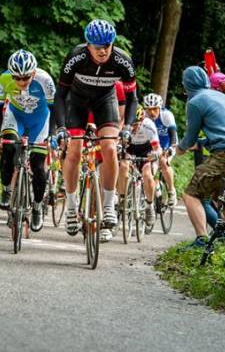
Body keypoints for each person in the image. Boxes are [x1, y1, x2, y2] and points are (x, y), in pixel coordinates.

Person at [53, 19, 138, 237]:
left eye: (107, 46)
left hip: (105, 101)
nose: (102, 51)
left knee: (110, 148)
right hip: (77, 102)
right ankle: (71, 208)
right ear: (88, 44)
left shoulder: (122, 61)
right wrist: (61, 127)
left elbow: (132, 98)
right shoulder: (76, 57)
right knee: (74, 150)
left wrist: (127, 127)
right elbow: (60, 96)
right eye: (97, 47)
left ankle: (109, 205)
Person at [175, 66, 225, 248]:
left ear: (186, 84)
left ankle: (201, 239)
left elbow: (190, 136)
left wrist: (180, 149)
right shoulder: (220, 96)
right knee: (224, 200)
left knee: (190, 194)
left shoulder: (195, 101)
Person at [0, 49, 55, 231]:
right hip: (16, 117)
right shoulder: (4, 80)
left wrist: (52, 134)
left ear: (33, 73)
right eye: (16, 78)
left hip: (40, 121)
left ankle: (36, 207)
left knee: (37, 163)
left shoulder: (45, 80)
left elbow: (56, 108)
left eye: (25, 78)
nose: (20, 82)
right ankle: (6, 190)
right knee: (9, 148)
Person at [116, 107, 161, 227]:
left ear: (142, 121)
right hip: (131, 150)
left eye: (137, 124)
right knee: (123, 166)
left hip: (147, 152)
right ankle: (121, 198)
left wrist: (155, 154)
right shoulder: (125, 126)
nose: (134, 128)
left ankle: (149, 206)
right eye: (132, 124)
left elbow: (157, 148)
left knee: (147, 175)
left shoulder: (149, 126)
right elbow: (118, 144)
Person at [142, 92, 178, 207]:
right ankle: (156, 188)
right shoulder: (143, 116)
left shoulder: (166, 115)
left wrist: (171, 148)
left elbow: (173, 135)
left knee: (163, 160)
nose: (152, 113)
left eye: (155, 109)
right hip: (153, 146)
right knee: (148, 170)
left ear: (160, 107)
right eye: (149, 109)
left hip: (168, 144)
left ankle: (172, 191)